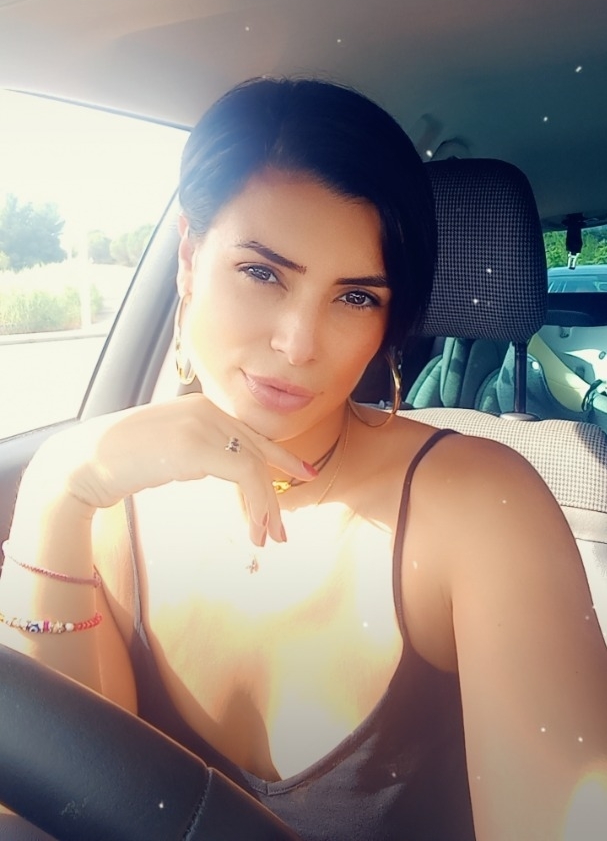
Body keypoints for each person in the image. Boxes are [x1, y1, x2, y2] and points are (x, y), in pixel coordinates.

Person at [0, 77, 606, 841]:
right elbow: (46, 816)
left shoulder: (478, 507)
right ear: (188, 257)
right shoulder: (108, 507)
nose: (297, 344)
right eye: (262, 272)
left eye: (355, 297)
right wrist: (59, 487)